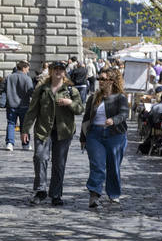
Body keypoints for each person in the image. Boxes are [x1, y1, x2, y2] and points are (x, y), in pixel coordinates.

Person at [22, 60, 84, 206]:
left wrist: (70, 103)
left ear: (64, 72)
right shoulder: (42, 90)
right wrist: (25, 130)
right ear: (50, 71)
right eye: (55, 69)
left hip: (64, 131)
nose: (58, 71)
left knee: (59, 163)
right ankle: (40, 190)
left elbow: (80, 109)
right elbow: (32, 111)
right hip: (43, 130)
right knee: (40, 158)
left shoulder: (71, 90)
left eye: (61, 69)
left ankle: (56, 194)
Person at [80, 66, 130, 209]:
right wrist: (83, 138)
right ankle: (94, 194)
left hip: (115, 135)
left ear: (111, 81)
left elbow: (124, 113)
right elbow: (86, 118)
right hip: (95, 134)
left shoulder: (120, 97)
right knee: (97, 165)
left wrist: (114, 120)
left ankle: (113, 194)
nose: (100, 81)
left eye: (103, 79)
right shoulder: (93, 97)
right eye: (99, 79)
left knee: (113, 166)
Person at [5, 61, 34, 151]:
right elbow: (30, 92)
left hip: (11, 104)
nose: (28, 71)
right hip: (24, 105)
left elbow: (2, 89)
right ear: (23, 69)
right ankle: (25, 144)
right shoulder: (27, 78)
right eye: (27, 69)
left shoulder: (8, 77)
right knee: (24, 125)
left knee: (11, 124)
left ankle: (10, 143)